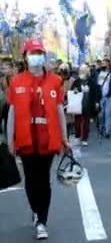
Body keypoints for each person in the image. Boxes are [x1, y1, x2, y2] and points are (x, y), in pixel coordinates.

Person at [6, 39, 71, 240]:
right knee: (31, 181)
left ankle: (42, 220)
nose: (36, 56)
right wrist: (10, 139)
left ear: (44, 56)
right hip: (25, 139)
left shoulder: (54, 81)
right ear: (25, 57)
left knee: (43, 181)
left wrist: (65, 138)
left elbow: (60, 110)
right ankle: (36, 211)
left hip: (48, 138)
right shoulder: (16, 81)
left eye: (39, 52)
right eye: (33, 53)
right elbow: (12, 113)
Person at [70, 65, 100, 147]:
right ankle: (77, 136)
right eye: (82, 70)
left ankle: (84, 139)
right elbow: (72, 90)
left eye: (84, 71)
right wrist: (75, 90)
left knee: (86, 123)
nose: (83, 72)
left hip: (87, 104)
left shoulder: (91, 82)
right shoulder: (76, 81)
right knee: (77, 122)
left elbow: (96, 92)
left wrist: (96, 102)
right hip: (78, 105)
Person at [97, 58, 111, 138]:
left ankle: (107, 131)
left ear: (108, 65)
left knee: (108, 114)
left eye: (105, 63)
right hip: (101, 97)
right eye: (103, 63)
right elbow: (97, 85)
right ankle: (101, 128)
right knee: (101, 114)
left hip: (109, 97)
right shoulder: (99, 73)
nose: (104, 64)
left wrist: (110, 93)